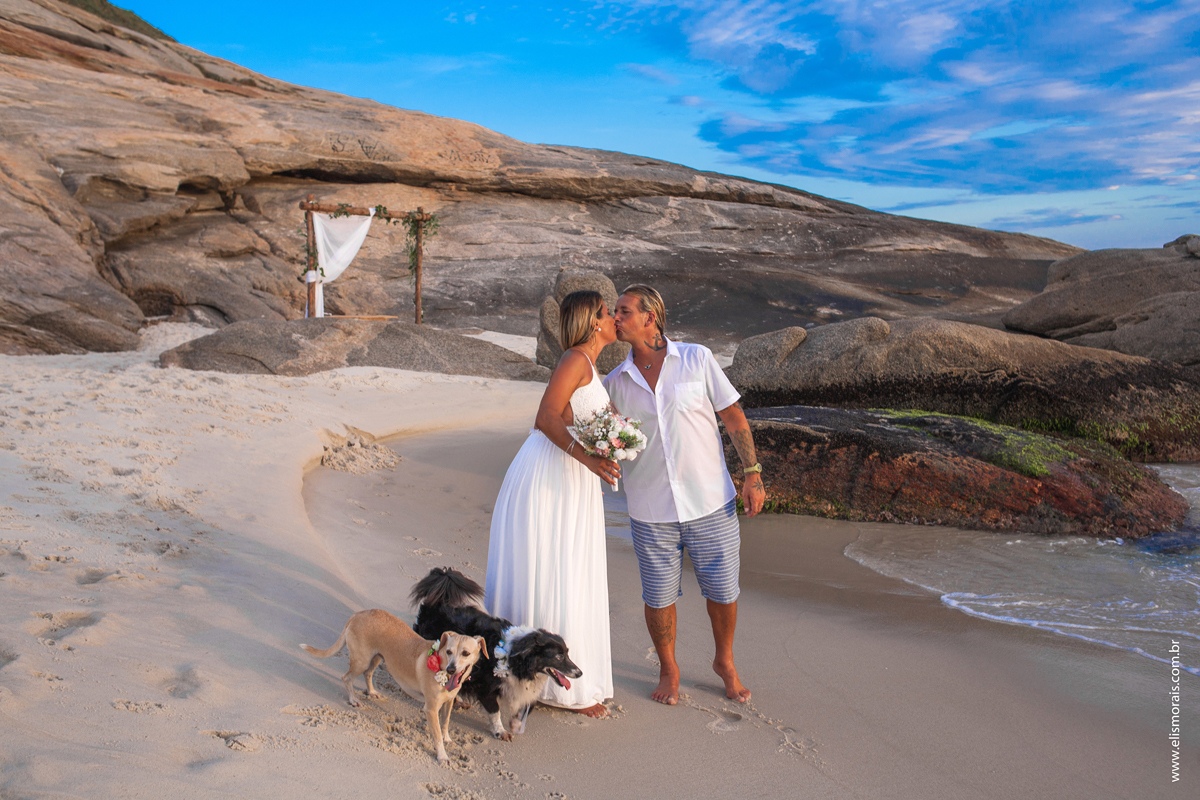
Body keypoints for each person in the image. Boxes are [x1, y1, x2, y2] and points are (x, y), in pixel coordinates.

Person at [604, 284, 765, 705]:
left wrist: (753, 474)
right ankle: (668, 667)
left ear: (649, 317)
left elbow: (732, 416)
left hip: (710, 501)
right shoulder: (614, 383)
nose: (615, 318)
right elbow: (605, 438)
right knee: (657, 597)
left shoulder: (697, 358)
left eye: (623, 311)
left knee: (723, 590)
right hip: (650, 507)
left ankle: (724, 662)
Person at [484, 290, 620, 718]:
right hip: (550, 477)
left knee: (566, 568)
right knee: (555, 567)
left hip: (571, 476)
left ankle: (538, 674)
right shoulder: (575, 359)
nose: (616, 317)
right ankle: (554, 687)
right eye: (609, 312)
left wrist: (613, 443)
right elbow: (545, 417)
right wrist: (591, 456)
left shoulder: (589, 365)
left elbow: (567, 417)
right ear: (594, 322)